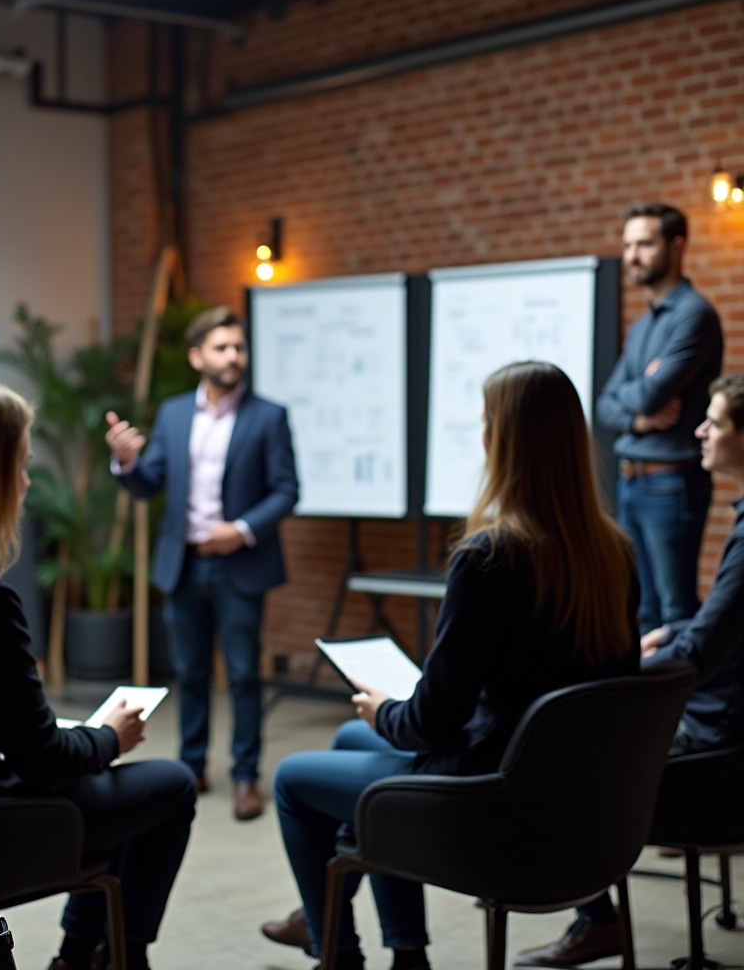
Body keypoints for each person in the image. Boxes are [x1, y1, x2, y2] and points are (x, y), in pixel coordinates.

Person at [260, 361, 641, 970]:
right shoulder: (613, 552)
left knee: (293, 779)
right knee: (346, 738)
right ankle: (400, 948)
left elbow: (434, 722)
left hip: (492, 796)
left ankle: (336, 947)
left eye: (487, 421)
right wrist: (387, 719)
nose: (482, 432)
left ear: (504, 441)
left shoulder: (491, 556)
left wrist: (384, 708)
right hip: (575, 796)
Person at [0, 379, 196, 970]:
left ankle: (82, 954)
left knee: (106, 785)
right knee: (169, 786)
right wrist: (108, 737)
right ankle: (110, 956)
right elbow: (41, 759)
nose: (26, 483)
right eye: (20, 466)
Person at [517, 371, 744, 967]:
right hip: (725, 720)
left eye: (715, 422)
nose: (700, 430)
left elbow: (700, 657)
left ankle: (596, 919)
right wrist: (664, 638)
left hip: (722, 744)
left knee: (566, 753)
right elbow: (706, 632)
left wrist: (615, 670)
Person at [105, 305, 299, 820]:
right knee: (189, 673)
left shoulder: (269, 415)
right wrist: (126, 461)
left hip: (240, 565)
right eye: (222, 348)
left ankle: (245, 776)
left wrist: (241, 530)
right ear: (197, 357)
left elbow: (286, 491)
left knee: (242, 676)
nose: (234, 356)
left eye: (238, 347)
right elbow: (149, 485)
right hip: (184, 564)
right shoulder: (172, 413)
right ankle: (191, 767)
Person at [596, 201, 723, 633]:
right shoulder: (642, 324)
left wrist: (637, 399)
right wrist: (639, 420)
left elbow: (650, 394)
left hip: (672, 484)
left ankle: (696, 703)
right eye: (629, 245)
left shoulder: (693, 314)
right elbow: (605, 404)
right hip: (630, 481)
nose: (632, 255)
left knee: (676, 612)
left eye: (645, 244)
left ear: (676, 246)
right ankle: (660, 704)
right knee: (645, 611)